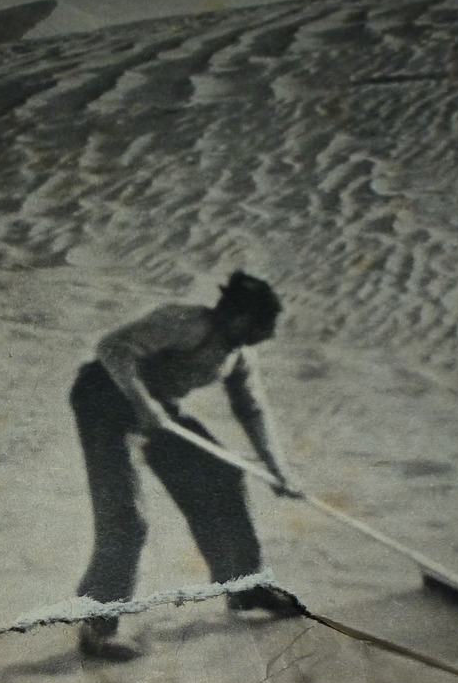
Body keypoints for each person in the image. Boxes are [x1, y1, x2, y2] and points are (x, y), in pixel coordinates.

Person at [70, 270, 300, 661]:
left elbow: (251, 409)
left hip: (157, 408)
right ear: (242, 317)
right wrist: (143, 404)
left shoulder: (239, 355)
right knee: (127, 521)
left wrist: (278, 469)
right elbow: (112, 347)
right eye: (266, 325)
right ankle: (97, 627)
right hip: (102, 401)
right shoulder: (184, 322)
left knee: (222, 477)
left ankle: (244, 586)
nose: (271, 334)